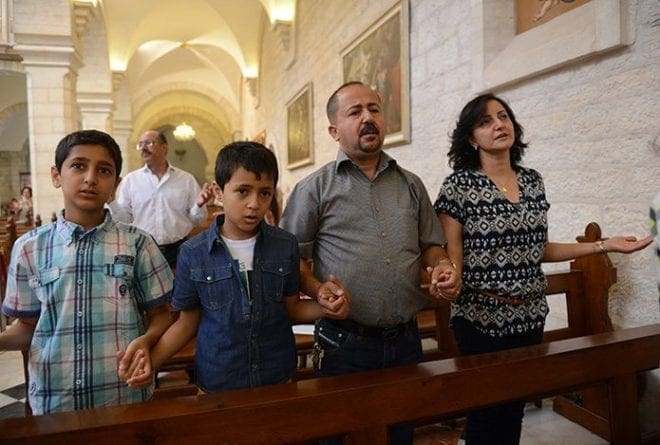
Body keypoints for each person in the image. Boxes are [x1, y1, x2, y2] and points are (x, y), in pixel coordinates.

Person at [433, 92, 652, 445]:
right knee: (487, 410)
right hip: (480, 316)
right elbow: (451, 253)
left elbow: (540, 249)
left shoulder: (532, 180)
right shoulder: (459, 186)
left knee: (515, 407)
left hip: (529, 313)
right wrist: (449, 278)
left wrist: (603, 245)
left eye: (503, 116)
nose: (498, 125)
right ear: (471, 139)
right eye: (485, 121)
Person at [280, 81, 460, 445]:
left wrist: (442, 266)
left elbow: (431, 245)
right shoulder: (313, 189)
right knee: (342, 436)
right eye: (355, 112)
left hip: (405, 339)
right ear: (334, 130)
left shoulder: (410, 184)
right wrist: (317, 289)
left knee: (400, 434)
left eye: (374, 109)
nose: (368, 118)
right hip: (345, 342)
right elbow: (291, 262)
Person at [119, 141, 349, 393]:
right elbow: (186, 323)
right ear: (219, 192)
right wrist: (151, 363)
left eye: (264, 193)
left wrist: (328, 308)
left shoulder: (285, 245)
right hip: (219, 379)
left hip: (276, 375)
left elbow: (291, 308)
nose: (254, 203)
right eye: (243, 191)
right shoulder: (193, 253)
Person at [0, 129, 174, 415]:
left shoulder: (138, 243)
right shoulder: (29, 248)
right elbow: (27, 328)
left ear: (115, 184)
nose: (91, 178)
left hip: (122, 393)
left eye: (103, 170)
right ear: (57, 175)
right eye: (79, 166)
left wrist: (147, 342)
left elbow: (162, 315)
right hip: (55, 398)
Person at [109, 130, 214, 269]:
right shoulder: (131, 180)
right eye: (140, 144)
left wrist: (199, 205)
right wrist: (111, 201)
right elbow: (124, 219)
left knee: (179, 290)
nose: (144, 148)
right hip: (142, 250)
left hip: (178, 250)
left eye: (149, 143)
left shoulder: (186, 180)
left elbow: (197, 220)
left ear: (164, 147)